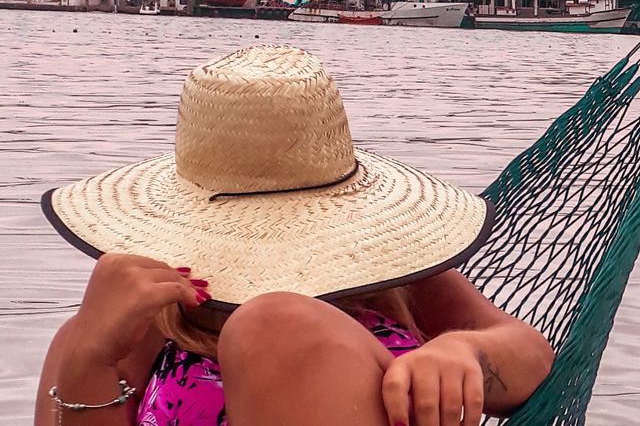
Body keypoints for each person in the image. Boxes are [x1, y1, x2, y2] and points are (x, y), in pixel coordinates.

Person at [34, 45, 553, 426]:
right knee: (81, 336)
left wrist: (464, 354)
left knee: (275, 327)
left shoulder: (384, 273)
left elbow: (527, 351)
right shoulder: (151, 317)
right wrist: (89, 356)